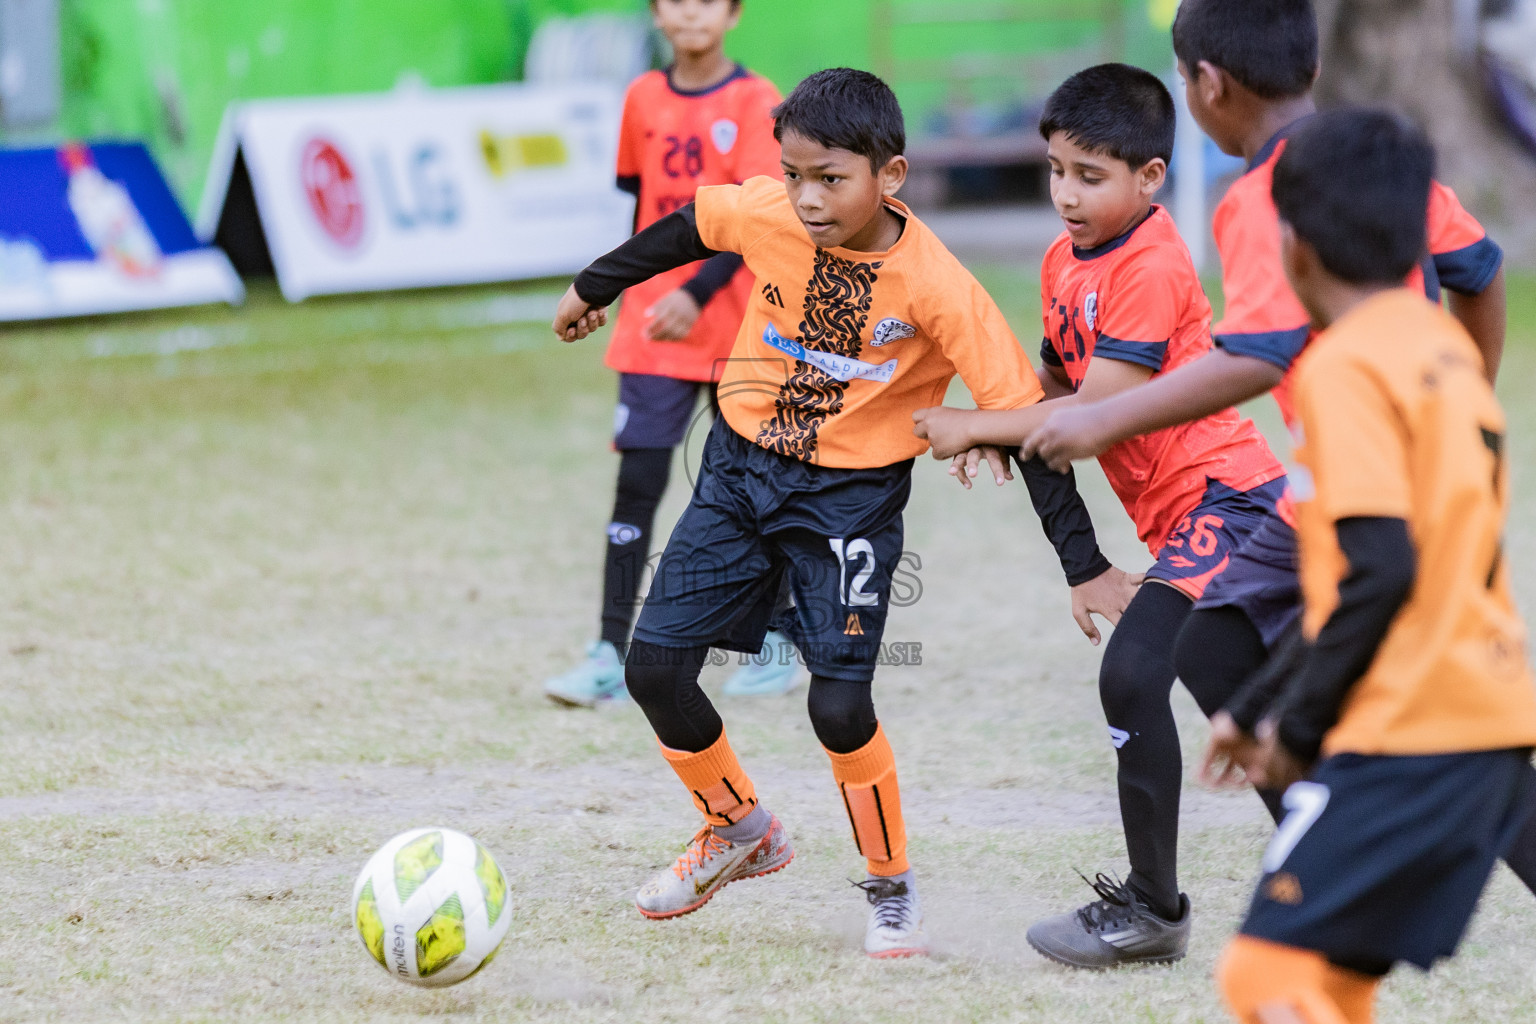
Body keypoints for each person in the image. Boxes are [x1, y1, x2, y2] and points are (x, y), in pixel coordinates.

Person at [551, 68, 1095, 958]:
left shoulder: (937, 284)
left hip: (849, 501)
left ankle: (891, 889)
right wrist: (595, 284)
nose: (804, 199)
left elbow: (1026, 418)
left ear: (892, 175)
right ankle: (740, 831)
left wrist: (1083, 565)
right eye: (793, 174)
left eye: (830, 178)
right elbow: (692, 224)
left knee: (840, 708)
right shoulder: (771, 211)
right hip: (736, 476)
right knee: (654, 669)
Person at [1020, 0, 1536, 894]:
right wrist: (1464, 395)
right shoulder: (1375, 157)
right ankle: (1323, 839)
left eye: (1184, 81)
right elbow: (1482, 271)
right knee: (1214, 641)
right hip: (1346, 477)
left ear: (1209, 84)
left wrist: (1096, 421)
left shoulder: (1265, 197)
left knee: (1460, 720)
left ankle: (1344, 842)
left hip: (1366, 480)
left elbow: (1256, 356)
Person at [912, 63, 1286, 968]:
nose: (1066, 196)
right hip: (1192, 517)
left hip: (1226, 499)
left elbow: (1097, 408)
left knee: (1134, 678)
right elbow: (1057, 386)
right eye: (1055, 170)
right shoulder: (1058, 262)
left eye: (1091, 176)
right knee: (1243, 697)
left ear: (1150, 177)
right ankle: (1353, 866)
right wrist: (1001, 430)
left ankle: (1155, 911)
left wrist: (974, 424)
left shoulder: (1153, 263)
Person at [1202, 108, 1536, 1024]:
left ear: (1295, 250)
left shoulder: (1344, 369)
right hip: (1490, 717)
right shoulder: (1448, 354)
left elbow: (1378, 573)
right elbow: (1394, 566)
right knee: (1336, 985)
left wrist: (1296, 733)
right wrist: (1252, 702)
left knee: (1263, 979)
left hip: (1414, 730)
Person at [543, 0, 798, 707]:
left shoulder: (758, 100)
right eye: (675, 0)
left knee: (756, 490)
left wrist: (699, 292)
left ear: (735, 14)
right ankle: (606, 653)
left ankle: (776, 641)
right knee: (638, 487)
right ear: (656, 13)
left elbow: (756, 219)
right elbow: (643, 212)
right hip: (650, 327)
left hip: (740, 327)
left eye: (707, 0)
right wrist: (610, 287)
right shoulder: (642, 96)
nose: (691, 12)